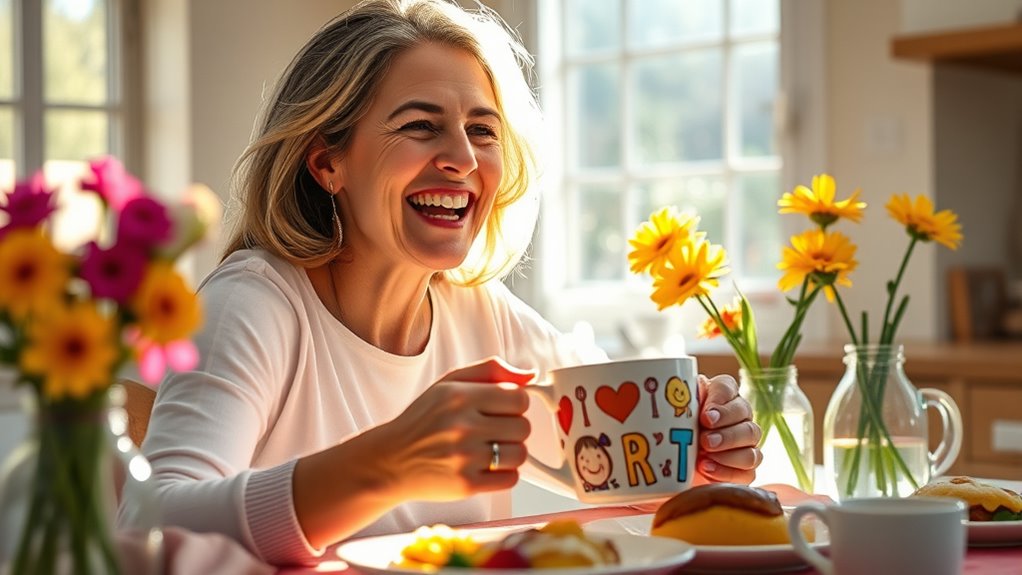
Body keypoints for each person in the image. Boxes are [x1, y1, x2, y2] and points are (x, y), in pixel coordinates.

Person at [125, 0, 762, 566]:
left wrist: (701, 452)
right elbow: (150, 522)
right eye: (420, 125)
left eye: (481, 130)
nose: (461, 157)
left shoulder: (479, 312)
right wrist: (386, 465)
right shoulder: (255, 301)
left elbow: (621, 467)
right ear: (327, 162)